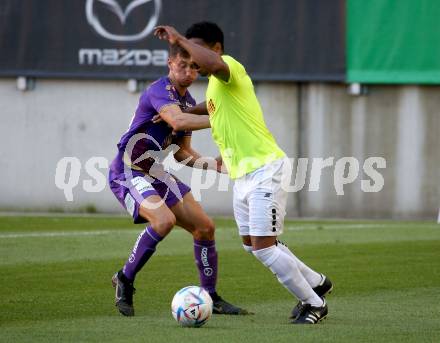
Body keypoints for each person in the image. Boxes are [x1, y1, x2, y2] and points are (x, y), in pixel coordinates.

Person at [153, 22, 333, 324]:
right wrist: (174, 113)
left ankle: (314, 303)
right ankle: (316, 281)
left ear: (217, 49)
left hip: (265, 169)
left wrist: (179, 39)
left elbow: (211, 65)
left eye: (194, 49)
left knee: (265, 249)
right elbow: (208, 108)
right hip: (243, 175)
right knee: (252, 245)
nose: (190, 56)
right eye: (184, 51)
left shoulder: (229, 67)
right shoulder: (214, 87)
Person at [108, 43, 247, 317]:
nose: (187, 71)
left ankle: (210, 296)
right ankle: (124, 278)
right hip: (129, 171)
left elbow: (182, 154)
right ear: (170, 63)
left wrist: (214, 165)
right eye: (182, 65)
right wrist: (220, 118)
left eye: (193, 67)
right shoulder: (160, 91)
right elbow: (179, 122)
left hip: (156, 173)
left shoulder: (186, 102)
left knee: (205, 227)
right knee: (164, 221)